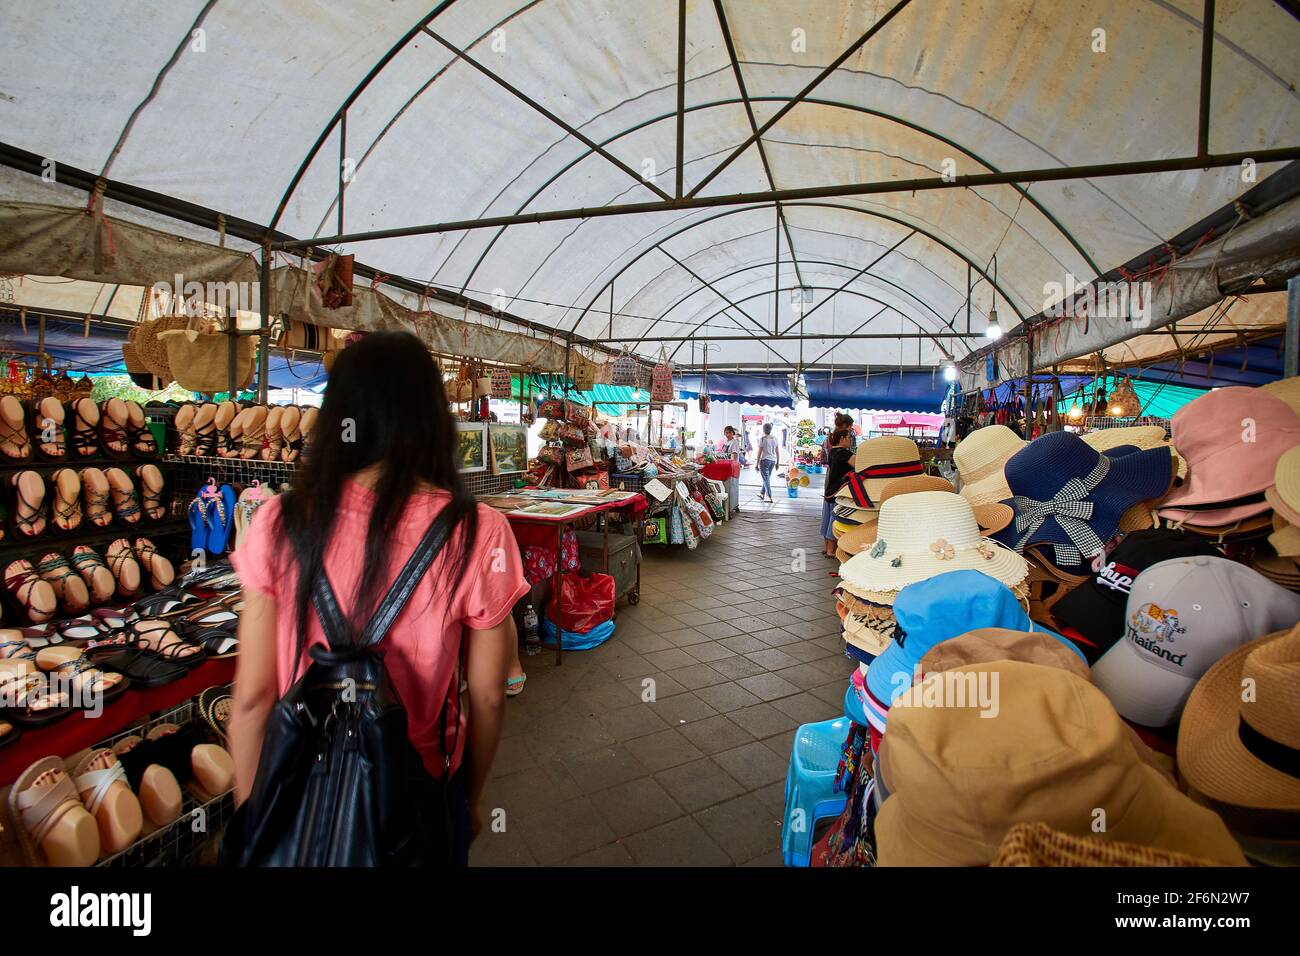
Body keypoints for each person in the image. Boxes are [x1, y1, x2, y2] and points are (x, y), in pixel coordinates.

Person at [228, 330, 530, 866]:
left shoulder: (278, 522)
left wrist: (260, 815)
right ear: (431, 420)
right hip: (419, 792)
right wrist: (471, 798)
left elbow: (252, 698)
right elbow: (487, 693)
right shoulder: (477, 531)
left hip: (299, 782)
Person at [821, 428, 854, 557]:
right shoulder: (844, 453)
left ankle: (826, 547)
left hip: (830, 490)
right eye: (849, 437)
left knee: (827, 518)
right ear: (842, 439)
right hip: (839, 491)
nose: (851, 440)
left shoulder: (833, 451)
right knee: (834, 520)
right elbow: (859, 464)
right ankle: (830, 550)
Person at [756, 422, 781, 502]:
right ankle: (762, 493)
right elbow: (777, 452)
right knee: (766, 478)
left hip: (764, 461)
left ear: (763, 429)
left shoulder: (763, 439)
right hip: (772, 461)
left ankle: (769, 496)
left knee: (766, 479)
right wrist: (777, 463)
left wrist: (757, 464)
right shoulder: (775, 438)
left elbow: (759, 452)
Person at [721, 425, 742, 517]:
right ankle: (729, 506)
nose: (728, 434)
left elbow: (734, 454)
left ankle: (732, 506)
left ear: (733, 433)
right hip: (726, 464)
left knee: (732, 487)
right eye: (726, 432)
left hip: (732, 465)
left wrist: (732, 463)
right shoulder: (727, 442)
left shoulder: (734, 442)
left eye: (729, 432)